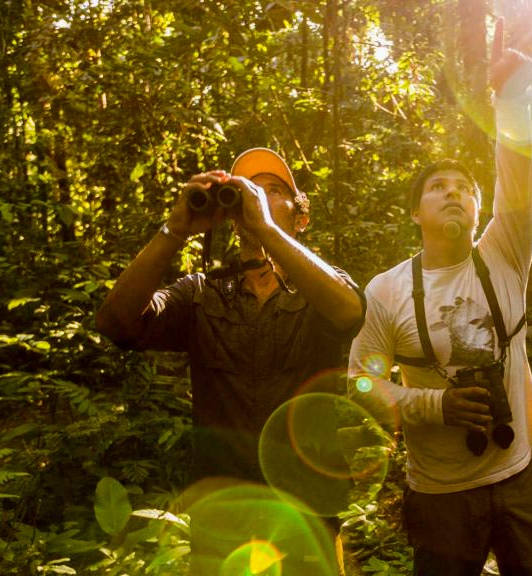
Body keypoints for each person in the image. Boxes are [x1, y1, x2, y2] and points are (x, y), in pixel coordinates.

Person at [347, 19, 532, 576]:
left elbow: (518, 182)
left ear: (477, 210)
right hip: (439, 494)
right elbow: (360, 383)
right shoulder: (386, 290)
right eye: (437, 187)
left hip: (519, 478)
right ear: (415, 213)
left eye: (465, 188)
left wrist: (510, 100)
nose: (453, 193)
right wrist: (435, 405)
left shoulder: (504, 254)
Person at [95, 147, 364, 575]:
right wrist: (175, 228)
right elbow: (116, 324)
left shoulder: (319, 290)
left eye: (274, 190)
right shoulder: (201, 293)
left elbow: (349, 311)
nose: (259, 195)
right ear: (232, 214)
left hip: (306, 512)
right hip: (222, 514)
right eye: (250, 189)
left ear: (301, 217)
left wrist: (270, 231)